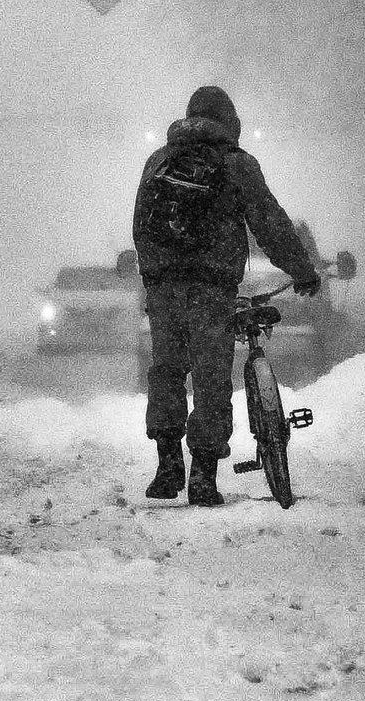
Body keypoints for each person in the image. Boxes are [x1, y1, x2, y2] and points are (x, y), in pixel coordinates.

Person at [132, 85, 320, 506]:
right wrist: (302, 270)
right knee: (211, 377)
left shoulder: (158, 161)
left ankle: (166, 463)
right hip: (212, 289)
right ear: (230, 123)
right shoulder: (237, 164)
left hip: (164, 287)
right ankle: (202, 474)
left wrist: (154, 279)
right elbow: (269, 222)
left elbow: (141, 226)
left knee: (166, 369)